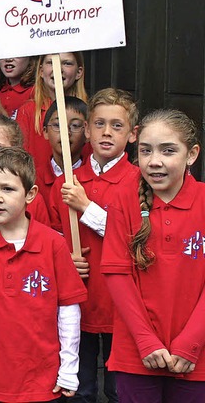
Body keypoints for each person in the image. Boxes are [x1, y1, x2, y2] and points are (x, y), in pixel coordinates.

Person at [0, 147, 87, 402]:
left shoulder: (53, 244)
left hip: (44, 383)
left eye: (7, 189)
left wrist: (69, 368)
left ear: (30, 194)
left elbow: (68, 310)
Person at [102, 109, 205, 402]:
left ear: (192, 154)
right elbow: (116, 273)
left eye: (168, 150)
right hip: (136, 354)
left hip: (197, 357)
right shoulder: (123, 200)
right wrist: (145, 340)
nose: (155, 161)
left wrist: (191, 343)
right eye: (146, 151)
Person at [49, 88, 139, 403]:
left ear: (132, 135)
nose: (106, 132)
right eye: (99, 124)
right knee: (79, 388)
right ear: (86, 130)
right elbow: (52, 235)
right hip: (78, 303)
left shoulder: (139, 182)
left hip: (122, 304)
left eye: (117, 126)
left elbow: (136, 240)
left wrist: (87, 208)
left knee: (119, 390)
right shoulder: (67, 183)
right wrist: (64, 259)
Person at [15, 52, 88, 173]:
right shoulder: (27, 111)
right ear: (41, 71)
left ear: (79, 72)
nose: (58, 69)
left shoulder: (88, 112)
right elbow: (19, 160)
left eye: (67, 63)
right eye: (50, 62)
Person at [39, 96, 89, 205]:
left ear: (87, 133)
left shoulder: (92, 179)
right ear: (45, 131)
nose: (66, 133)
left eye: (75, 126)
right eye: (57, 125)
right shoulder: (34, 179)